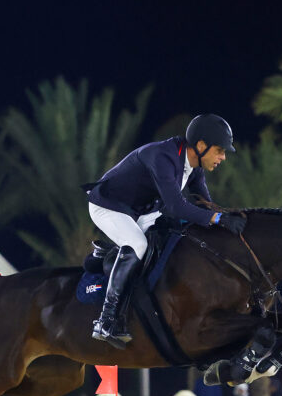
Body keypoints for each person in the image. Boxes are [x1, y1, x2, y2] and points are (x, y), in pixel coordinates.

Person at [85, 114, 246, 348]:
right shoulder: (162, 156)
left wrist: (227, 217)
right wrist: (217, 218)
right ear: (201, 146)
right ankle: (106, 320)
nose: (222, 158)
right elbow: (176, 206)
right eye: (220, 151)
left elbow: (203, 204)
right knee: (138, 245)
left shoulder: (194, 166)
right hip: (107, 205)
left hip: (140, 212)